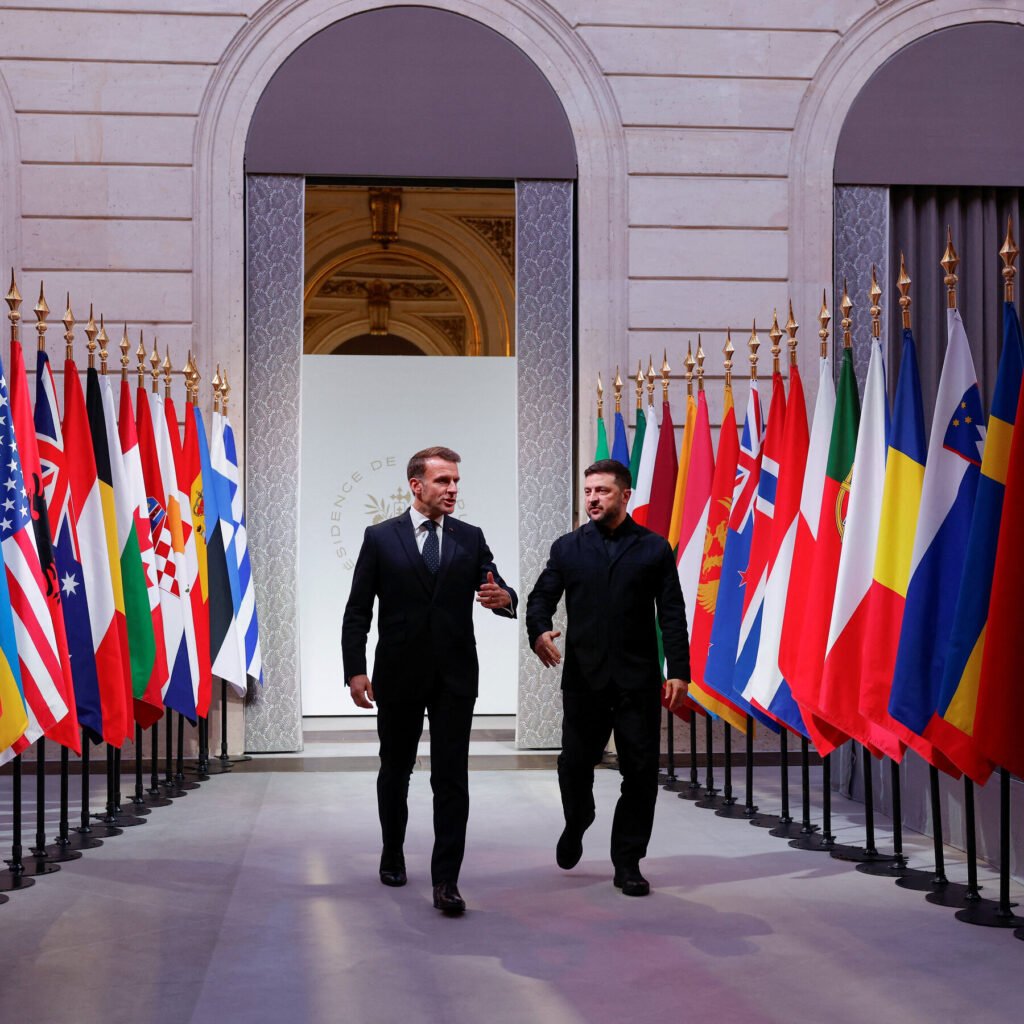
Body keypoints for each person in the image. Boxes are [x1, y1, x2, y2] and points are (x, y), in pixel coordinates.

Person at [342, 445, 517, 915]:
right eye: (443, 481)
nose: (453, 489)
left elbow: (498, 587)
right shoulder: (380, 537)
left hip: (455, 677)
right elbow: (358, 610)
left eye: (456, 481)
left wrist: (505, 599)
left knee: (451, 778)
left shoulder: (470, 537)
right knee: (395, 770)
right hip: (397, 675)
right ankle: (392, 852)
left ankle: (446, 881)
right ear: (416, 485)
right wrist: (355, 669)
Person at [526, 458, 690, 896]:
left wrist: (678, 671)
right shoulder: (567, 548)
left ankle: (628, 862)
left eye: (602, 491)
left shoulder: (654, 548)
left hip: (638, 682)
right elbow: (541, 598)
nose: (593, 499)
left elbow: (672, 613)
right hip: (585, 680)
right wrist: (538, 631)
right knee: (573, 765)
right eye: (588, 492)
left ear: (625, 495)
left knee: (640, 772)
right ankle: (578, 819)